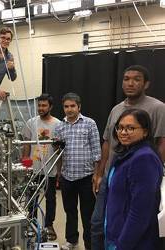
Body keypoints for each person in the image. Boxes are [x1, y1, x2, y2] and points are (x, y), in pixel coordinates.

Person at [91, 65, 165, 250]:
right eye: (126, 78)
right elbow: (107, 142)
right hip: (112, 174)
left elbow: (162, 142)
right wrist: (99, 173)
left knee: (132, 221)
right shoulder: (116, 109)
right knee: (100, 224)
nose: (130, 83)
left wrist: (154, 173)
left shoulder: (157, 108)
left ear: (146, 83)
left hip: (137, 174)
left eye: (136, 79)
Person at [104, 109, 163, 250]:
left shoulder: (144, 158)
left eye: (130, 128)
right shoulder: (126, 153)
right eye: (120, 127)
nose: (123, 132)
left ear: (145, 131)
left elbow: (140, 212)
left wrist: (123, 245)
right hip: (116, 233)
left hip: (131, 242)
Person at [54, 92, 101, 250]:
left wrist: (96, 174)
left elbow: (96, 151)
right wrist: (59, 173)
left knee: (88, 214)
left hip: (86, 177)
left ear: (79, 106)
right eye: (66, 106)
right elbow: (58, 152)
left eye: (72, 106)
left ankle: (90, 244)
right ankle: (72, 240)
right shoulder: (59, 126)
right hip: (68, 176)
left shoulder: (89, 123)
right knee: (70, 211)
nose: (69, 109)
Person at [22, 93, 60, 241]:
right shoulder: (31, 122)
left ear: (50, 107)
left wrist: (59, 169)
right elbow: (26, 143)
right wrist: (25, 161)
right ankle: (30, 223)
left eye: (44, 105)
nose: (41, 108)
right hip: (34, 168)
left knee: (50, 198)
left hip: (50, 169)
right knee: (31, 197)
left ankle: (49, 225)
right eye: (39, 105)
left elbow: (59, 149)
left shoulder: (58, 124)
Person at [0, 27, 17, 101]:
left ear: (10, 40)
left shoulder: (9, 56)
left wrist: (12, 69)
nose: (5, 41)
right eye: (3, 38)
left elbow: (12, 78)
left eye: (8, 39)